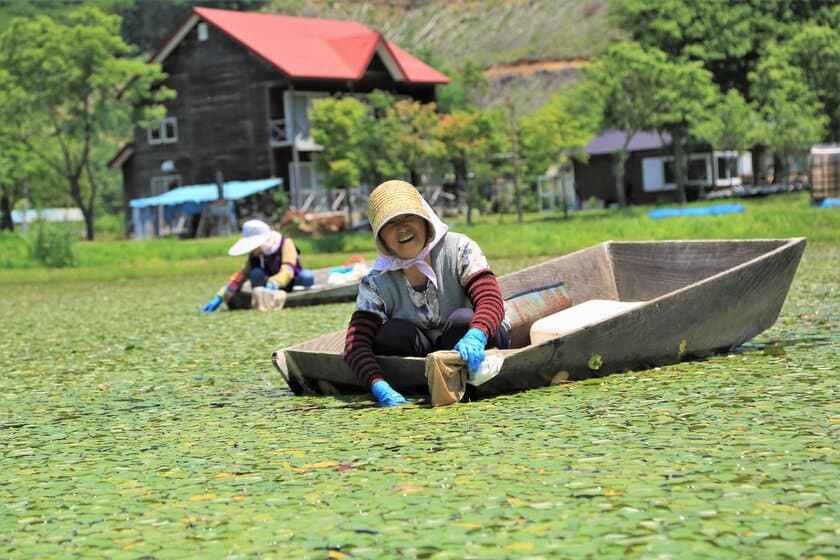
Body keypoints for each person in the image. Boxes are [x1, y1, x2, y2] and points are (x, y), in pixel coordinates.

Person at [343, 180, 509, 406]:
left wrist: (476, 335)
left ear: (424, 220)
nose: (402, 228)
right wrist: (379, 386)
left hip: (476, 347)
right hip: (420, 359)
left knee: (462, 321)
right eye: (391, 223)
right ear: (380, 238)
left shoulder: (460, 248)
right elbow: (355, 346)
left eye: (408, 217)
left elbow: (490, 300)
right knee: (390, 334)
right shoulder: (376, 283)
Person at [201, 219, 313, 312]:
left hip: (289, 282)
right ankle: (260, 300)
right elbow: (242, 275)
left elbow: (288, 270)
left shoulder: (285, 243)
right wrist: (221, 296)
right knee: (255, 273)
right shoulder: (255, 254)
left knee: (307, 277)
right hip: (265, 286)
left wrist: (273, 284)